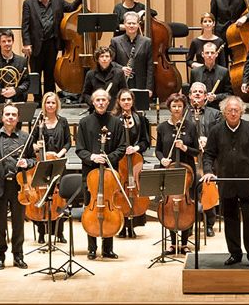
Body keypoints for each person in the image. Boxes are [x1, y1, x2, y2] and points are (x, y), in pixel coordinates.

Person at [203, 95, 249, 268]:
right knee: (230, 219)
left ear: (242, 111)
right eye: (229, 110)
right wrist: (209, 171)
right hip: (226, 181)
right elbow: (209, 154)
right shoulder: (215, 130)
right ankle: (235, 253)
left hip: (247, 180)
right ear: (224, 112)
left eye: (236, 110)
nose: (233, 113)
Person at [75, 89, 126, 260]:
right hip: (90, 174)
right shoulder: (84, 122)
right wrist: (92, 157)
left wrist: (108, 158)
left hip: (110, 173)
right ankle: (91, 247)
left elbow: (122, 147)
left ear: (109, 101)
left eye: (104, 99)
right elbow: (80, 149)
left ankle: (107, 248)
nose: (101, 102)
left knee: (108, 207)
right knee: (92, 207)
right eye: (98, 100)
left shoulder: (116, 123)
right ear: (93, 102)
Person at [0, 103, 36, 270]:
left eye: (13, 115)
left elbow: (33, 160)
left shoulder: (25, 137)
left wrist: (26, 162)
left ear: (18, 118)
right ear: (2, 117)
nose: (10, 117)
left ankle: (18, 255)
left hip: (19, 187)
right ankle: (0, 256)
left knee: (18, 223)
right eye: (7, 114)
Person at [21, 0, 85, 97]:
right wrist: (26, 43)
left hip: (52, 43)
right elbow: (25, 25)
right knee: (36, 73)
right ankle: (38, 101)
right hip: (35, 44)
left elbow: (71, 7)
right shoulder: (28, 3)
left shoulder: (58, 0)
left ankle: (49, 99)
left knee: (50, 73)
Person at [155, 93, 199, 255]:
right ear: (170, 107)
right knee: (170, 205)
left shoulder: (191, 126)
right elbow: (158, 150)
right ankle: (173, 243)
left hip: (187, 172)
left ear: (183, 107)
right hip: (169, 170)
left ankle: (185, 243)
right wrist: (162, 160)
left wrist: (185, 147)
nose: (177, 109)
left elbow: (198, 151)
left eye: (180, 106)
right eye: (174, 106)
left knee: (185, 205)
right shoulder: (162, 128)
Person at [32, 91, 71, 245]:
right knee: (42, 197)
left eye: (53, 102)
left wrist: (60, 154)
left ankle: (59, 232)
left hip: (59, 163)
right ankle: (42, 232)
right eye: (48, 102)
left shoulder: (63, 121)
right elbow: (31, 143)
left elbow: (68, 142)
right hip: (43, 164)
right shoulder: (38, 122)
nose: (50, 105)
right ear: (44, 104)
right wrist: (37, 147)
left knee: (59, 198)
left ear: (57, 105)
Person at [112, 88, 151, 238]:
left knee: (135, 191)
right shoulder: (114, 119)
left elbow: (145, 141)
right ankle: (121, 225)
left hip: (135, 161)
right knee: (120, 192)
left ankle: (133, 224)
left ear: (133, 101)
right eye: (123, 100)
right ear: (119, 102)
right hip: (119, 161)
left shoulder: (139, 118)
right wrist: (121, 150)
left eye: (129, 99)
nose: (126, 102)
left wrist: (136, 147)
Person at [186, 82, 222, 237]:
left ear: (206, 96)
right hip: (190, 155)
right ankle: (189, 221)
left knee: (209, 188)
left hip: (209, 156)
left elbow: (221, 132)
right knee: (190, 188)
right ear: (189, 96)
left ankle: (209, 223)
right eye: (194, 92)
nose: (198, 94)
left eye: (201, 92)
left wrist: (209, 140)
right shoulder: (184, 113)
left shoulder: (215, 113)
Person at [0, 29, 30, 111]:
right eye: (4, 41)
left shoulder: (22, 61)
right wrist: (1, 91)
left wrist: (15, 90)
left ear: (13, 41)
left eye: (9, 41)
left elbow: (27, 83)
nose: (7, 44)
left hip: (16, 102)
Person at [110, 11, 154, 97]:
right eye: (129, 23)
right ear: (124, 24)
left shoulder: (146, 42)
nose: (131, 26)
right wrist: (121, 68)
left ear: (138, 25)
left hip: (140, 84)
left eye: (134, 23)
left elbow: (150, 66)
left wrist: (149, 88)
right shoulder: (115, 41)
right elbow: (111, 62)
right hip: (121, 83)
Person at [189, 41, 233, 110]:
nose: (209, 55)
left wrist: (216, 97)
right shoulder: (195, 72)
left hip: (218, 109)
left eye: (212, 53)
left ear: (216, 54)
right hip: (200, 109)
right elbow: (191, 94)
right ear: (202, 54)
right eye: (207, 53)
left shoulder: (224, 72)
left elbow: (229, 94)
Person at [82, 45, 127, 111]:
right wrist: (94, 102)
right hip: (96, 109)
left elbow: (124, 92)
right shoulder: (90, 74)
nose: (104, 59)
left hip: (114, 110)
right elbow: (85, 94)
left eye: (107, 56)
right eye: (101, 56)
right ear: (97, 59)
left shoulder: (119, 73)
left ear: (111, 59)